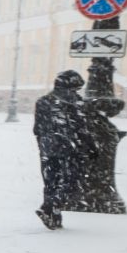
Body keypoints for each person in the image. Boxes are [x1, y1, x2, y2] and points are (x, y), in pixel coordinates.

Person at [33, 70, 87, 229]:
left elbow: (38, 128)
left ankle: (54, 217)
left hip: (48, 147)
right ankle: (49, 208)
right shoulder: (75, 104)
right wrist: (87, 146)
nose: (77, 92)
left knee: (51, 182)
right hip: (69, 147)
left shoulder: (43, 101)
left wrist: (43, 144)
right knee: (71, 182)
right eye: (76, 89)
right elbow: (81, 128)